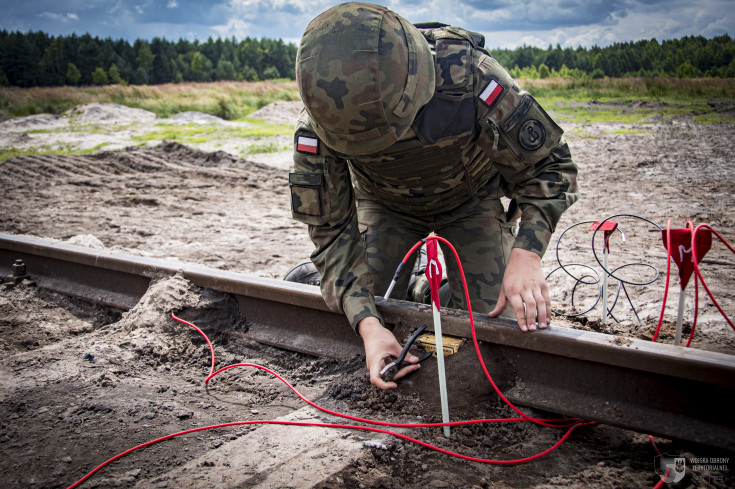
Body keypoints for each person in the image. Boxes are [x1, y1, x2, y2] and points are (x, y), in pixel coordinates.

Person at [289, 2, 579, 390]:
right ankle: (416, 286)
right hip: (385, 206)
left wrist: (527, 254)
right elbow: (331, 231)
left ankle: (435, 286)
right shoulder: (323, 122)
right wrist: (369, 325)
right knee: (363, 311)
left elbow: (549, 166)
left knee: (500, 323)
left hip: (470, 201)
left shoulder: (468, 75)